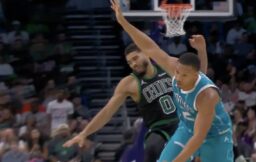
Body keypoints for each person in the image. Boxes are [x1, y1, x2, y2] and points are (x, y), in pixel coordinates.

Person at [110, 0, 234, 162]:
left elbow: (198, 138)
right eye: (177, 73)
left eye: (184, 76)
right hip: (186, 128)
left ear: (196, 76)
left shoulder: (208, 96)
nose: (178, 78)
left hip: (215, 136)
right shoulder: (175, 69)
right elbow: (149, 48)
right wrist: (124, 22)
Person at [63, 31, 207, 162]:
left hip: (182, 122)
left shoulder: (168, 65)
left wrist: (201, 50)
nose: (133, 64)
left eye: (135, 58)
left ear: (146, 53)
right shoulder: (129, 83)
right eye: (130, 62)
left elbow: (200, 79)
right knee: (151, 148)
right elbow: (107, 111)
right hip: (159, 128)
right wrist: (84, 133)